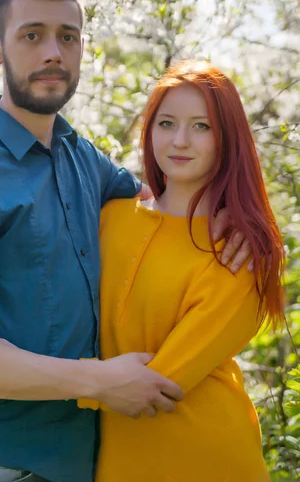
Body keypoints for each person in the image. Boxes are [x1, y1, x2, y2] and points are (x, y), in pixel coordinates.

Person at [0, 0, 249, 482]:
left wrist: (232, 219)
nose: (53, 52)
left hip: (87, 457)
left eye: (68, 36)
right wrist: (98, 379)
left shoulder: (84, 159)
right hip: (0, 458)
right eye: (32, 35)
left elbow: (160, 203)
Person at [76, 61, 284, 481]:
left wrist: (16, 384)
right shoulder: (109, 217)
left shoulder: (238, 252)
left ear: (229, 138)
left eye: (202, 126)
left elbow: (154, 386)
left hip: (208, 459)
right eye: (166, 123)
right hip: (115, 458)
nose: (180, 141)